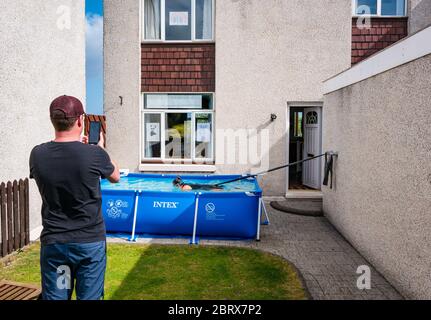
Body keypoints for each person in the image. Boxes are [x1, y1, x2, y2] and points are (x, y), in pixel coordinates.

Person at [29, 95, 120, 300]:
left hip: (55, 242)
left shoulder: (37, 154)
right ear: (80, 121)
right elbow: (115, 176)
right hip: (89, 244)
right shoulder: (94, 154)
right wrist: (99, 149)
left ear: (53, 120)